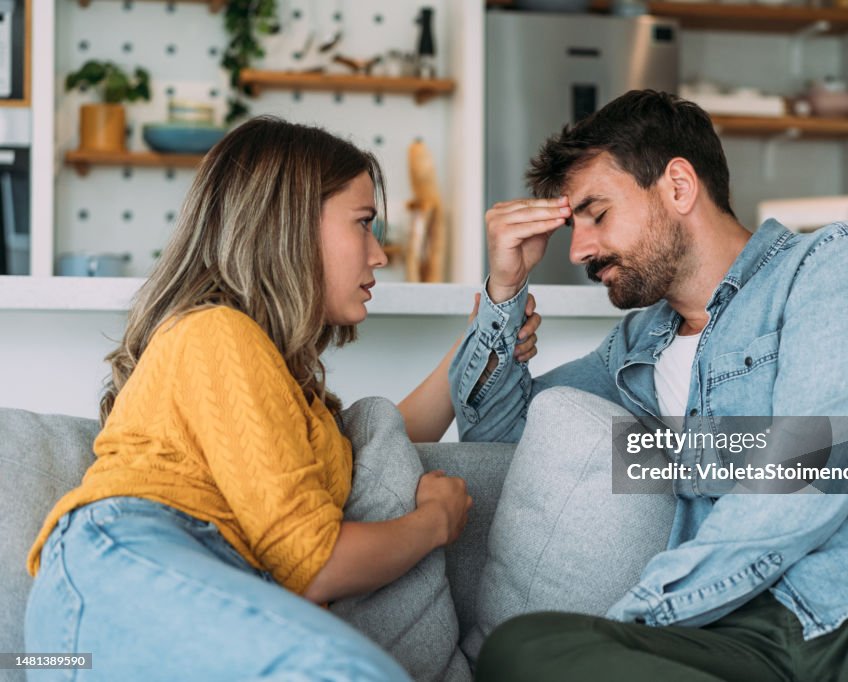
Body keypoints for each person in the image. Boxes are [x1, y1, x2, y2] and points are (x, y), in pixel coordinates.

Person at [448, 90, 848, 680]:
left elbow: (805, 471)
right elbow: (498, 433)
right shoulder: (636, 349)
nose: (579, 251)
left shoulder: (839, 266)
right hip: (749, 628)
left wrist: (642, 618)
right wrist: (503, 290)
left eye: (596, 213)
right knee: (526, 649)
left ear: (677, 186)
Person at [22, 116, 541, 681]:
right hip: (128, 565)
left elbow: (387, 438)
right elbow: (314, 565)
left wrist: (491, 318)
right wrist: (433, 523)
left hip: (161, 581)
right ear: (289, 226)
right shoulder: (215, 332)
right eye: (363, 224)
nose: (379, 255)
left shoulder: (288, 392)